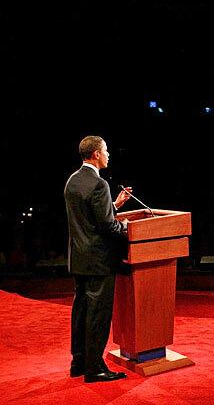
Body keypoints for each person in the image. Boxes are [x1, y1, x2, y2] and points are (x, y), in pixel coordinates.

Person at [64, 135, 132, 383]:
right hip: (99, 261)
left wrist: (114, 205)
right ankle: (95, 368)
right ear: (95, 154)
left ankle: (79, 363)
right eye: (106, 150)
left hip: (80, 260)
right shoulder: (99, 183)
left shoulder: (73, 180)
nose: (108, 154)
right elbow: (107, 227)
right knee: (98, 315)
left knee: (81, 311)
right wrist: (125, 228)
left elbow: (87, 217)